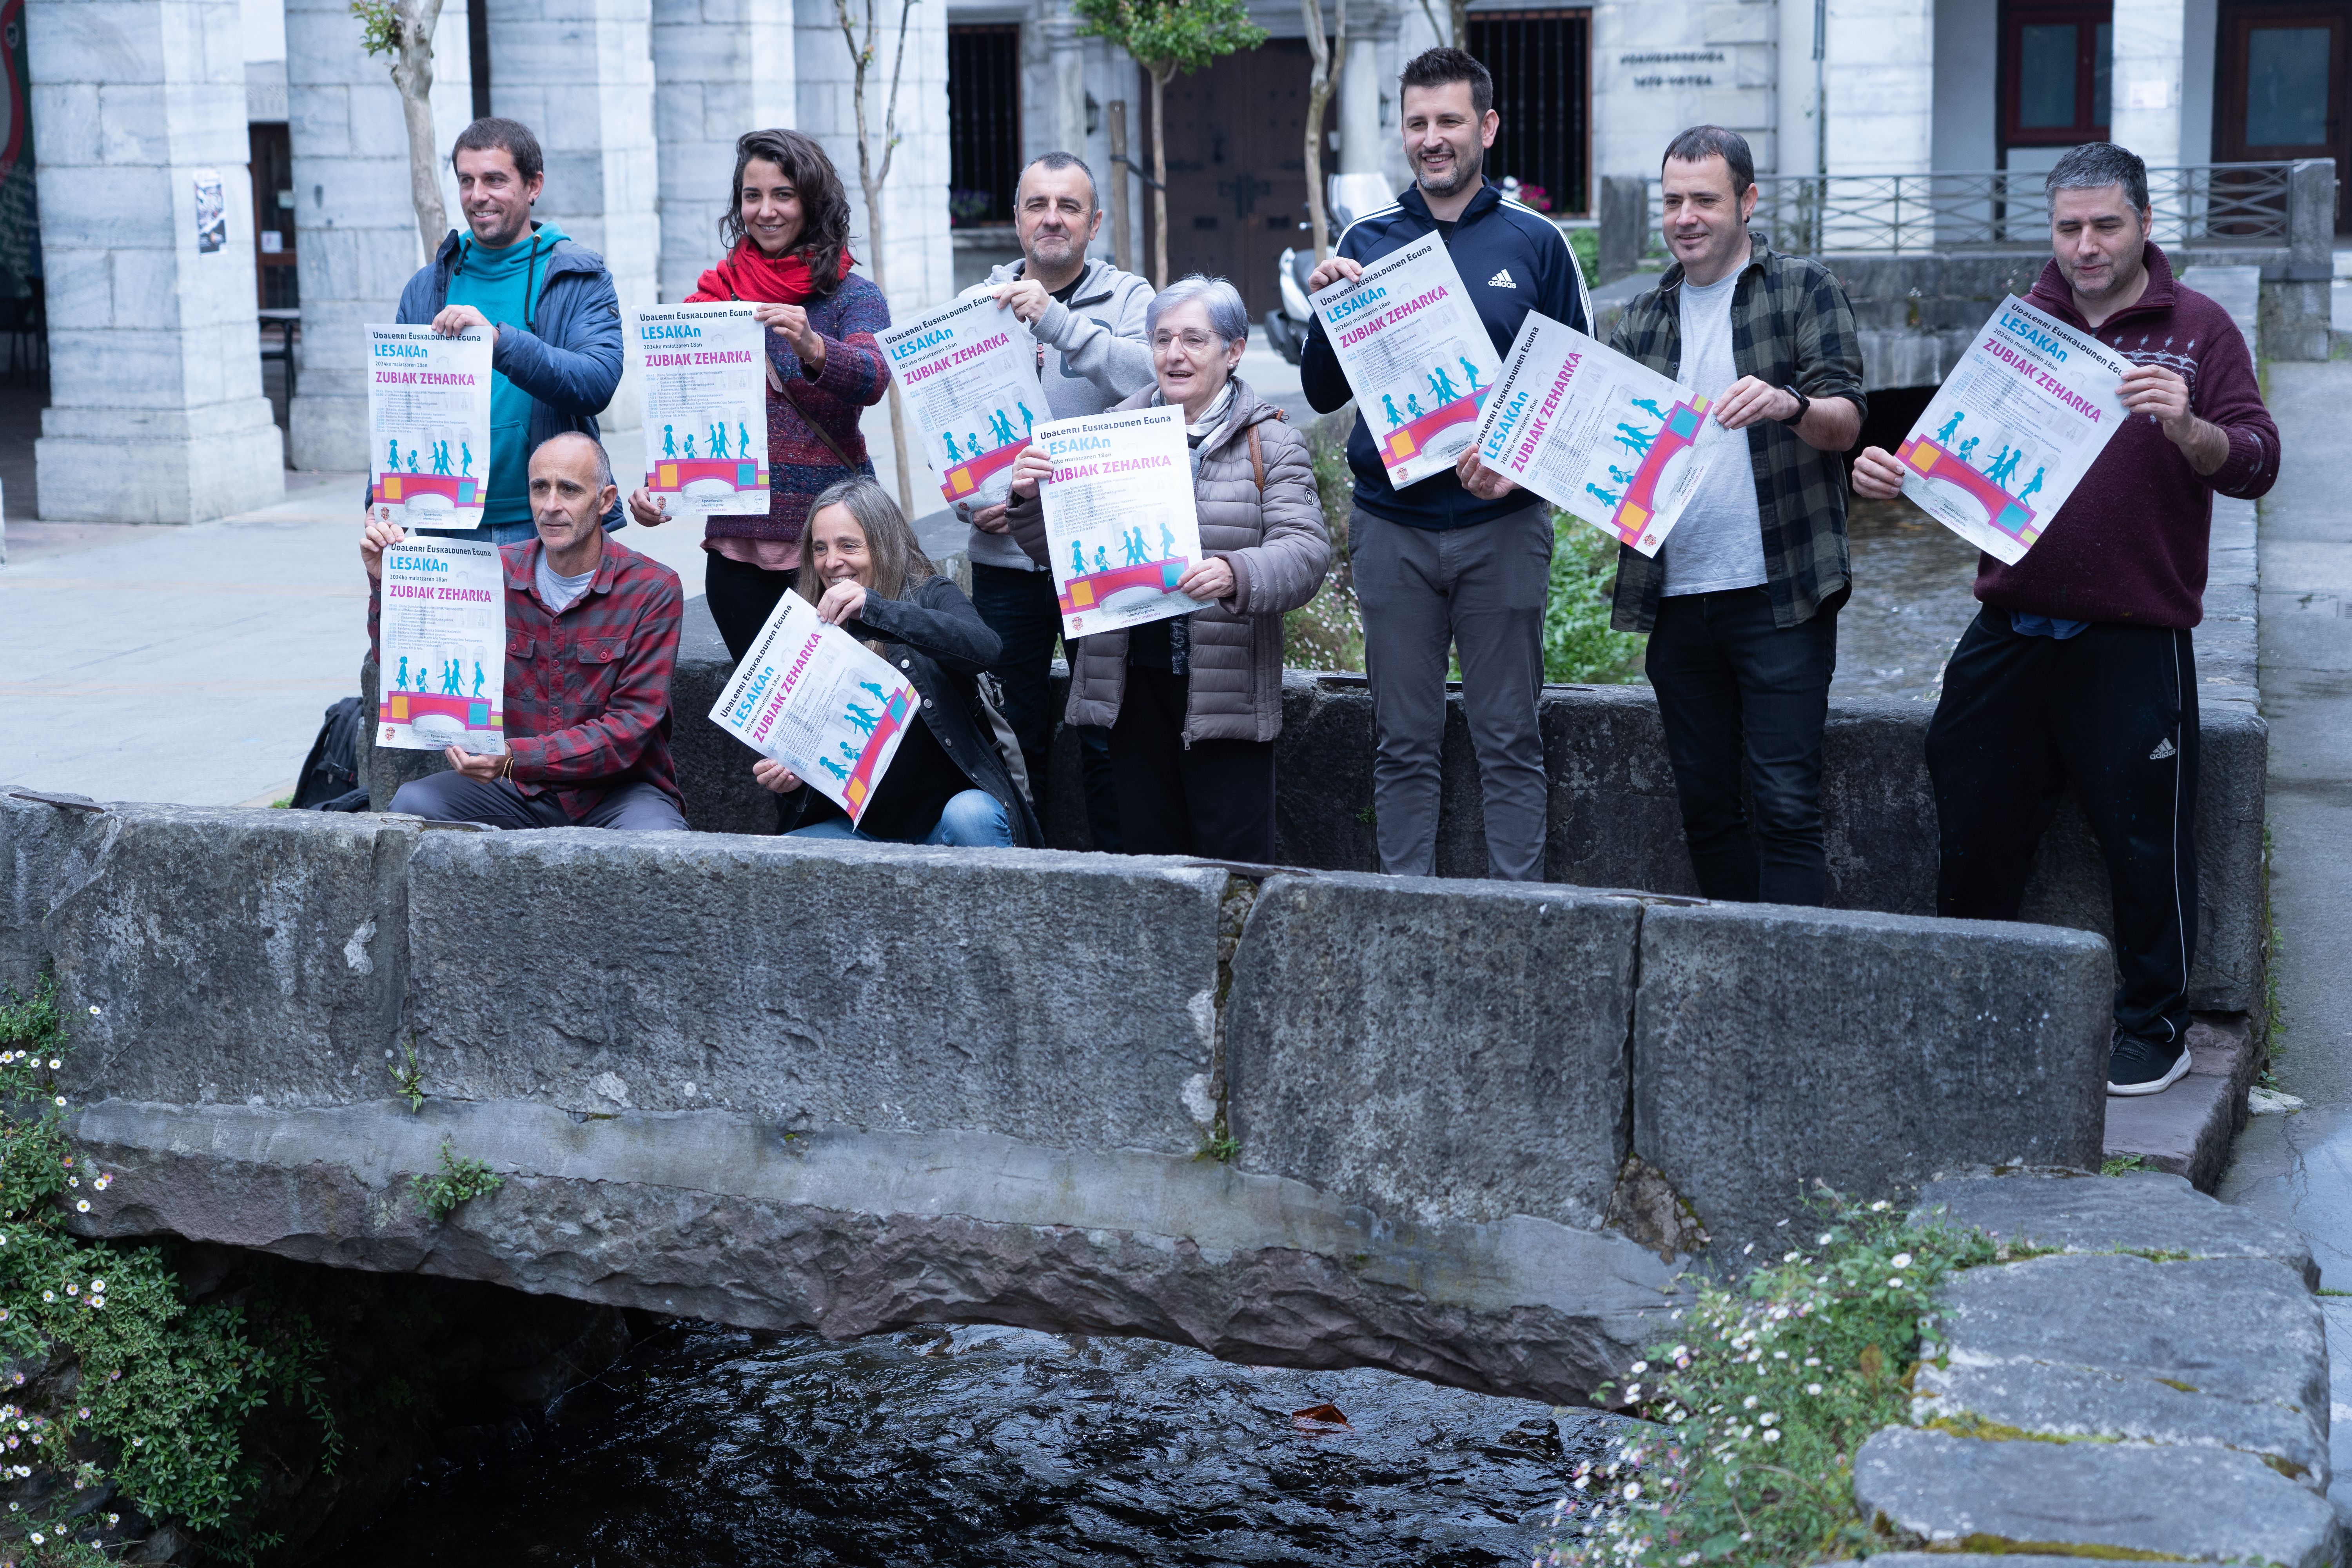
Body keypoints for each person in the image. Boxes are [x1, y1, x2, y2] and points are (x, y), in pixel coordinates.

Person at [1851, 141, 2281, 1097]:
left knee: (2145, 833)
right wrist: (1893, 474)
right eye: (2068, 227)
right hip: (2011, 623)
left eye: (2105, 225)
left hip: (2136, 631)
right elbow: (1958, 461)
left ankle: (2154, 1025)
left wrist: (2188, 426)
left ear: (2143, 225)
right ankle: (1976, 996)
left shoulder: (2199, 331)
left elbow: (2257, 461)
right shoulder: (2023, 324)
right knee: (1969, 803)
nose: (2086, 246)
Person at [1298, 47, 1593, 882]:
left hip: (1504, 526)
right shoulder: (1366, 240)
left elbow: (1577, 391)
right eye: (1418, 123)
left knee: (1510, 735)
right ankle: (1406, 907)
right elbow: (1322, 391)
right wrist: (1330, 309)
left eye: (1450, 121)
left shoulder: (1536, 243)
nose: (1433, 139)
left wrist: (1520, 469)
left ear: (1487, 128)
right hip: (1392, 528)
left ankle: (1519, 913)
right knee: (1401, 739)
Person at [1601, 125, 1866, 907]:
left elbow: (1848, 421)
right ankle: (1735, 976)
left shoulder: (1804, 288)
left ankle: (1794, 985)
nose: (1686, 216)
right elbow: (1612, 456)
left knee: (1787, 804)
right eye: (1673, 201)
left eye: (1705, 200)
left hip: (1780, 594)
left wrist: (1790, 404)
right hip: (1677, 600)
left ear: (1747, 202)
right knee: (1706, 809)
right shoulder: (1645, 316)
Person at [1006, 275, 1330, 862]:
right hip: (1133, 685)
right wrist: (1029, 501)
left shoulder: (1272, 443)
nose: (1174, 355)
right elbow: (1059, 554)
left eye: (1193, 340)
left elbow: (1305, 555)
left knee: (1236, 867)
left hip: (1225, 688)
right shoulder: (1105, 435)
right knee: (1150, 864)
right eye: (1162, 340)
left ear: (1233, 351)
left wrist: (1237, 572)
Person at [627, 129, 893, 663]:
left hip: (833, 555)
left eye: (783, 195)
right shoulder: (712, 299)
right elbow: (689, 416)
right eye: (753, 196)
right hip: (738, 554)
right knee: (769, 727)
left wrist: (814, 346)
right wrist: (660, 489)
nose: (766, 211)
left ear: (812, 202)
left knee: (841, 713)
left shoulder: (852, 297)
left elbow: (873, 378)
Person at [961, 151, 1156, 849]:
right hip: (1004, 563)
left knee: (1110, 733)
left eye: (1068, 207)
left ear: (1094, 222)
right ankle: (1024, 878)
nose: (1052, 218)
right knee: (1010, 735)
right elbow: (944, 428)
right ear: (1016, 219)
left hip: (1104, 560)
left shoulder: (1133, 300)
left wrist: (1057, 322)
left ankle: (1120, 876)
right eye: (1037, 204)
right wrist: (975, 503)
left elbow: (1155, 379)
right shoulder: (973, 307)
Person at [363, 432, 689, 830]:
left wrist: (516, 756)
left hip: (618, 792)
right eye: (540, 489)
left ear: (605, 500)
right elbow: (411, 671)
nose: (551, 506)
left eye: (569, 490)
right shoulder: (490, 573)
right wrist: (384, 583)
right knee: (412, 805)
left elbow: (631, 728)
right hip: (518, 788)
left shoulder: (652, 588)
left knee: (661, 842)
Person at [755, 479, 1042, 848]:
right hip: (864, 832)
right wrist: (793, 779)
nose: (831, 563)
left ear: (882, 545)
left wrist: (876, 610)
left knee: (970, 816)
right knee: (782, 856)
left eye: (849, 546)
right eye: (820, 549)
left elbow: (985, 648)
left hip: (949, 821)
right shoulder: (806, 627)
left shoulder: (930, 594)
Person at [385, 118, 625, 542]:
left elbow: (597, 382)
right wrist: (379, 501)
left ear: (534, 186)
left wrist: (499, 343)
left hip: (545, 523)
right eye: (467, 181)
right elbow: (398, 411)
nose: (478, 196)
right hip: (447, 523)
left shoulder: (576, 275)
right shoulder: (427, 286)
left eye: (495, 180)